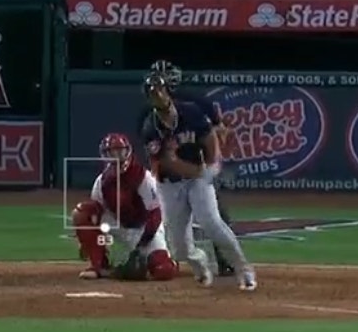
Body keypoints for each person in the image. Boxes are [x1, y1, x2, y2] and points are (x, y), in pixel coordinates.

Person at [139, 72, 256, 291]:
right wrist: (201, 172)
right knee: (179, 248)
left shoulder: (190, 112)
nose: (159, 96)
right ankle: (200, 263)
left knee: (212, 223)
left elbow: (209, 137)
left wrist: (212, 165)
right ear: (150, 98)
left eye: (161, 90)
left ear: (168, 91)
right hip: (170, 184)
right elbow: (168, 162)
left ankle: (243, 269)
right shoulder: (150, 128)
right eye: (153, 93)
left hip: (198, 180)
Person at [72, 133, 177, 282]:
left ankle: (163, 262)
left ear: (127, 152)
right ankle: (99, 266)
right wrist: (87, 242)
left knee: (163, 271)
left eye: (119, 151)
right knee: (83, 212)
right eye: (112, 152)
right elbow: (95, 213)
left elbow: (155, 215)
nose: (116, 156)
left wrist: (141, 246)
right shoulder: (102, 181)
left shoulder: (142, 177)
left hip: (145, 228)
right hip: (119, 225)